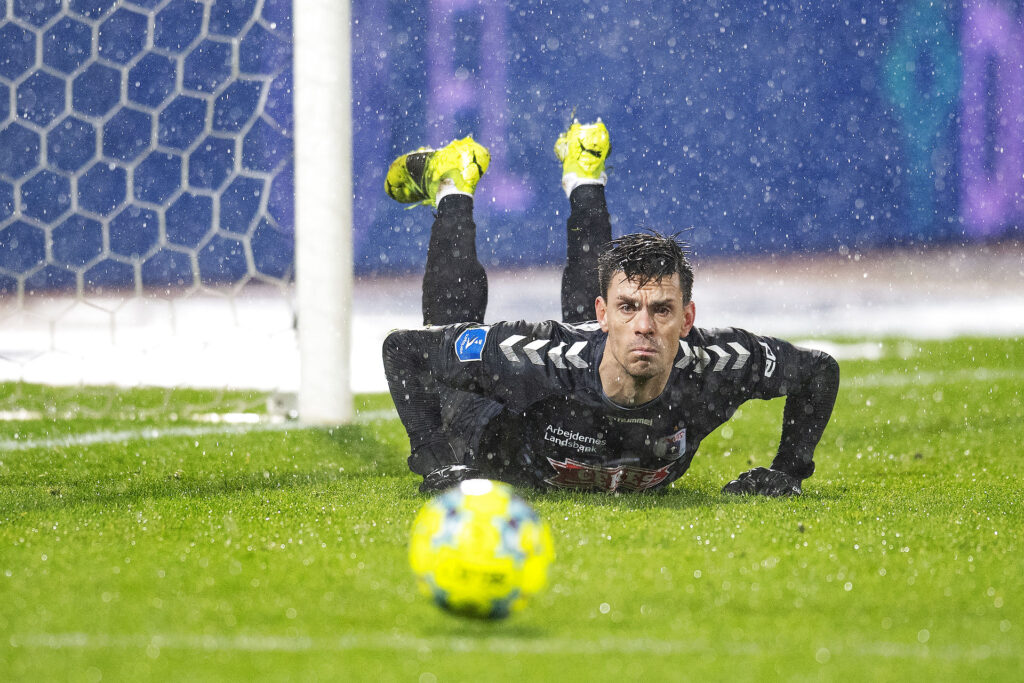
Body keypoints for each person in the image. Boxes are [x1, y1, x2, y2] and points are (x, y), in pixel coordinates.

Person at [382, 120, 840, 496]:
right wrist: (436, 462)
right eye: (627, 309)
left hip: (591, 354)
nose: (644, 326)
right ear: (602, 314)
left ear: (688, 320)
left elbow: (818, 370)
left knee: (619, 300)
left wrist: (788, 472)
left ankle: (584, 173)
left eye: (662, 311)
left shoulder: (717, 365)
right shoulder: (536, 355)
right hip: (490, 432)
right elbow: (404, 350)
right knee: (448, 348)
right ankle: (453, 186)